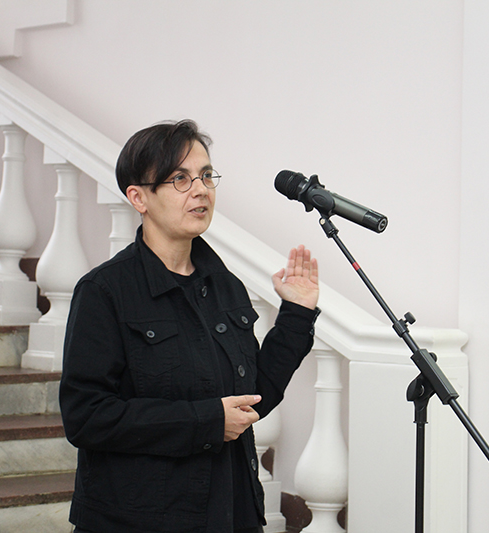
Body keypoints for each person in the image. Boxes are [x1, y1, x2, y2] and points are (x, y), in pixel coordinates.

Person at [59, 119, 320, 533]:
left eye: (206, 175)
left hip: (231, 512)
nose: (200, 190)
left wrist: (297, 314)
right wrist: (206, 421)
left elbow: (252, 398)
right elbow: (86, 417)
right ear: (138, 197)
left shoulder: (225, 286)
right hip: (140, 520)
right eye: (180, 179)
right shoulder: (104, 291)